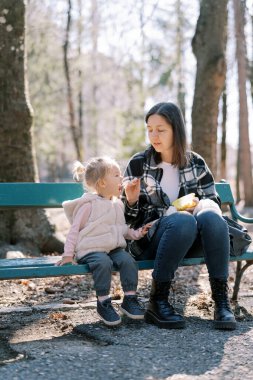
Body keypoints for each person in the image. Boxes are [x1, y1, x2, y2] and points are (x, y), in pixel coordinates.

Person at [122, 102, 236, 330]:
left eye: (161, 129)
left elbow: (211, 202)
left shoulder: (195, 163)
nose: (154, 135)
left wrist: (196, 206)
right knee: (182, 220)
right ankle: (158, 301)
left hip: (192, 238)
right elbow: (127, 220)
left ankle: (221, 303)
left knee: (212, 217)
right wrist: (131, 200)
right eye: (150, 129)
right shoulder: (139, 163)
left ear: (176, 129)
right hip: (150, 239)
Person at [57, 156, 150, 326]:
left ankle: (130, 298)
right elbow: (74, 230)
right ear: (102, 183)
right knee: (103, 262)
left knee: (128, 260)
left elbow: (121, 228)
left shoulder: (117, 204)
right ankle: (103, 301)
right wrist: (68, 254)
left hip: (112, 248)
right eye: (116, 175)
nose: (121, 178)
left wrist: (137, 233)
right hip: (91, 249)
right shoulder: (88, 205)